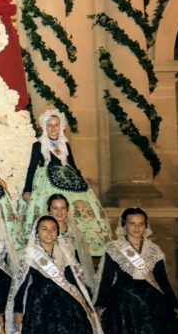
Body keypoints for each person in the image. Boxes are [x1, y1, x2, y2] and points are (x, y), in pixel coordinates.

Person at [20, 109, 111, 258]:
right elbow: (31, 168)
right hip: (46, 181)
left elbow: (72, 165)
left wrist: (82, 182)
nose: (53, 128)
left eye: (56, 125)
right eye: (50, 125)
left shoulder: (65, 144)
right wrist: (27, 189)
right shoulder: (38, 145)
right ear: (44, 127)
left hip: (69, 180)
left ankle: (81, 246)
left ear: (61, 126)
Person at [47, 193, 97, 293]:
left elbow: (81, 258)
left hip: (74, 276)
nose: (59, 212)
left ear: (67, 210)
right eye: (55, 208)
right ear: (49, 210)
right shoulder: (43, 231)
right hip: (52, 277)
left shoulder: (74, 231)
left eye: (63, 208)